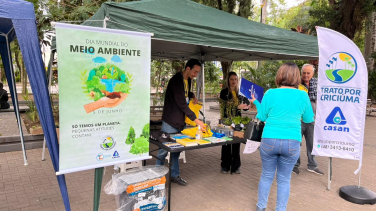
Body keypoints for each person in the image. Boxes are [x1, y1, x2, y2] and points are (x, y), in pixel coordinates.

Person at [250, 63, 314, 211]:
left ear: (280, 75)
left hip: (269, 140)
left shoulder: (270, 93)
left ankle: (261, 207)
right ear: (297, 77)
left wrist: (256, 103)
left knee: (266, 176)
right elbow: (309, 119)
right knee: (284, 179)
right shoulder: (303, 95)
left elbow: (262, 116)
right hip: (292, 142)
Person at [156, 59, 205, 186]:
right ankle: (156, 178)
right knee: (163, 150)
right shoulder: (176, 81)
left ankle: (174, 175)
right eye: (195, 71)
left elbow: (185, 94)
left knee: (177, 149)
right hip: (170, 121)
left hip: (180, 121)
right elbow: (182, 103)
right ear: (187, 69)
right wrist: (196, 120)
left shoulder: (187, 80)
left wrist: (192, 94)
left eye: (198, 72)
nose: (195, 75)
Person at [292, 64, 324, 175]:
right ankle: (295, 165)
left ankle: (312, 165)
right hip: (299, 119)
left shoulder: (316, 83)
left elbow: (318, 100)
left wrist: (318, 116)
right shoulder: (296, 83)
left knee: (311, 143)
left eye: (308, 73)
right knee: (296, 143)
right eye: (304, 73)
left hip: (312, 119)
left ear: (312, 73)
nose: (306, 75)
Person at [219, 72, 249, 174]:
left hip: (237, 122)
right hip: (227, 121)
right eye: (232, 79)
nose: (234, 81)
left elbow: (244, 108)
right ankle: (225, 165)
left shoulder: (240, 93)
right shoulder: (224, 92)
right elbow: (225, 107)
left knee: (236, 143)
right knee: (226, 143)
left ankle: (236, 166)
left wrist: (246, 106)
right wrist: (237, 107)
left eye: (236, 79)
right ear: (228, 80)